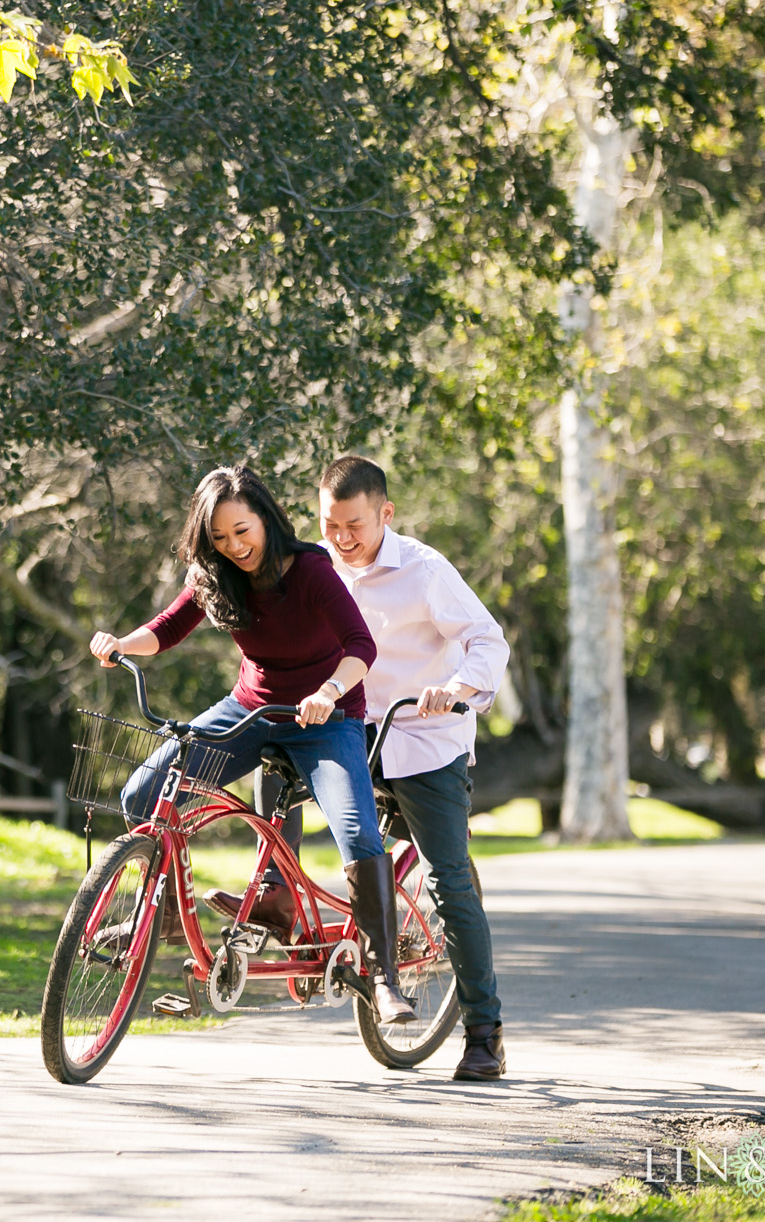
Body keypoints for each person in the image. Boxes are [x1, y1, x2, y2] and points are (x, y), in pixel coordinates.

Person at [89, 464, 416, 1024]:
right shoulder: (215, 573)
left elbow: (360, 644)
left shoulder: (310, 569)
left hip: (326, 718)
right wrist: (122, 643)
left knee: (357, 831)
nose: (234, 546)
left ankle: (383, 978)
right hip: (251, 710)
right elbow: (167, 627)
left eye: (242, 531)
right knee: (143, 795)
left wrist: (329, 691)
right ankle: (166, 914)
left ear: (265, 519)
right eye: (219, 537)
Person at [317, 453, 511, 1081]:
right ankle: (276, 902)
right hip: (352, 734)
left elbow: (488, 640)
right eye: (330, 526)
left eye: (356, 526)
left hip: (425, 738)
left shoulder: (425, 571)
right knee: (272, 771)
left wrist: (454, 687)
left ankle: (485, 1033)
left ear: (386, 515)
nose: (344, 540)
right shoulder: (322, 570)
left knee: (447, 881)